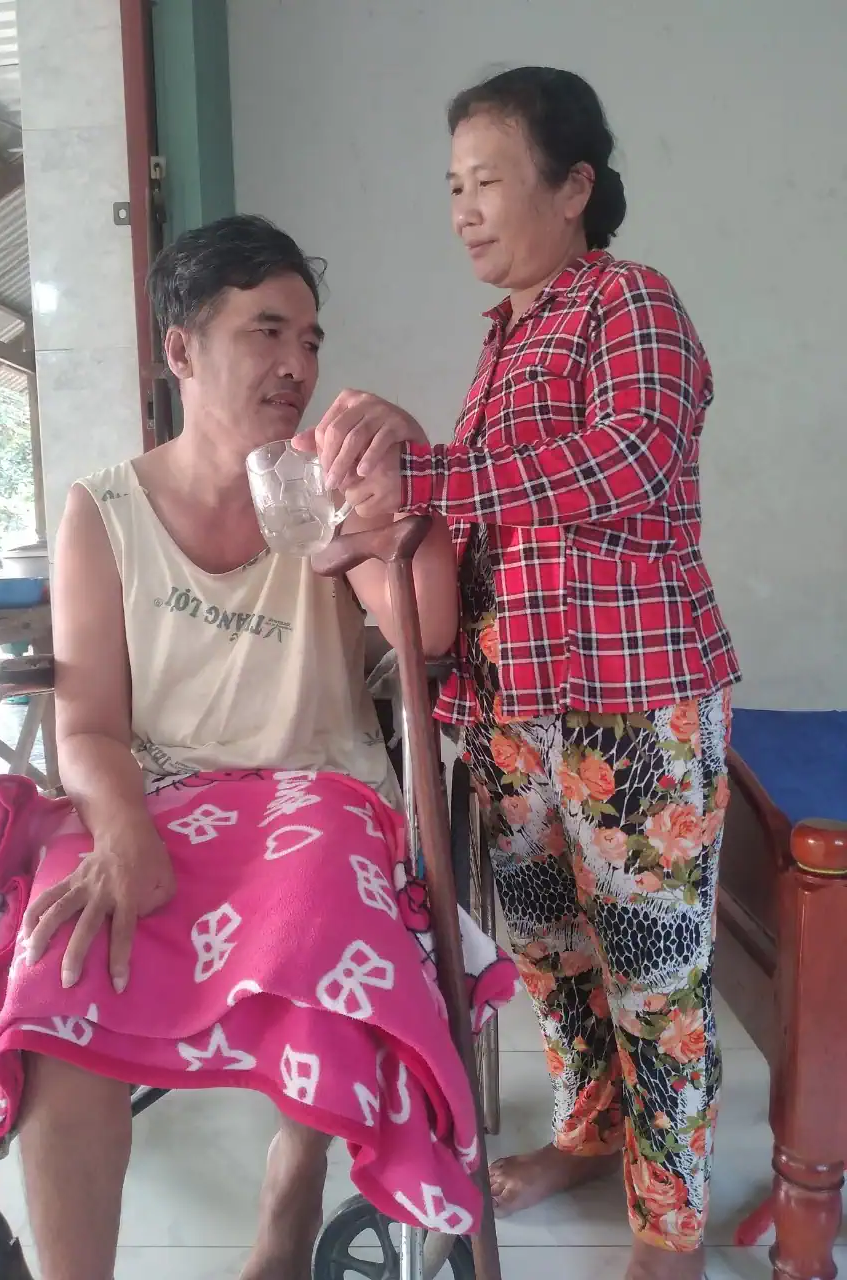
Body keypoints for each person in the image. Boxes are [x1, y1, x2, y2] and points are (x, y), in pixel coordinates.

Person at [0, 215, 519, 1280]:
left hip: (320, 790)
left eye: (310, 340)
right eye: (266, 331)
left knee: (324, 901)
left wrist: (399, 490)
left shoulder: (325, 487)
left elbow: (429, 630)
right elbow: (89, 725)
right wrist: (122, 830)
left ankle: (292, 1188)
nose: (297, 364)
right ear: (181, 347)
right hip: (155, 790)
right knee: (60, 962)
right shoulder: (104, 512)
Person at [305, 67, 740, 1280]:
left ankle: (671, 1224)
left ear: (573, 185)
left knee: (654, 969)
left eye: (487, 180)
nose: (463, 209)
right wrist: (387, 514)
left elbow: (628, 459)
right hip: (512, 708)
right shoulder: (506, 337)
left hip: (635, 705)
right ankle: (591, 1135)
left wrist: (431, 471)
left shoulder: (629, 301)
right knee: (553, 950)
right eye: (453, 185)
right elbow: (493, 525)